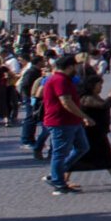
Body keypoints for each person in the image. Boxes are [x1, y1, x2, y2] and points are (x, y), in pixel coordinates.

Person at [69, 65, 111, 187]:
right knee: (80, 155)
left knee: (105, 153)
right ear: (92, 86)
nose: (100, 87)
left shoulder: (92, 96)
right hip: (90, 132)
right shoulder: (86, 98)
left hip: (97, 131)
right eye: (99, 85)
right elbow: (103, 106)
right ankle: (63, 177)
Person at [37, 52, 91, 194]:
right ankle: (58, 183)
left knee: (82, 147)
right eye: (75, 66)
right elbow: (65, 101)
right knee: (60, 153)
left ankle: (56, 174)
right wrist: (84, 115)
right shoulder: (59, 80)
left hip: (72, 120)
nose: (76, 69)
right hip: (61, 121)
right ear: (70, 66)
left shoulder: (64, 79)